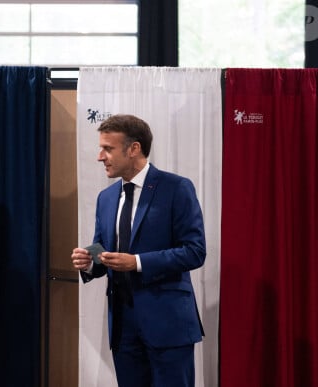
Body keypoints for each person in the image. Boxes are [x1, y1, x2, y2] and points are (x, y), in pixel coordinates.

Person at [71, 114, 206, 387]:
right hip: (123, 327)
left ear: (134, 149)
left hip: (168, 324)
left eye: (108, 148)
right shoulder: (106, 198)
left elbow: (194, 251)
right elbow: (104, 252)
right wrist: (88, 261)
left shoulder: (176, 188)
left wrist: (138, 262)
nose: (100, 156)